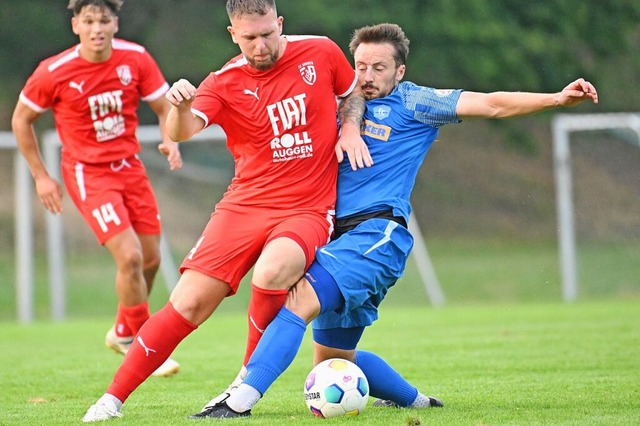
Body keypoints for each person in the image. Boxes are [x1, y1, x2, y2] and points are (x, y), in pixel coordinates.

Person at [194, 23, 599, 418]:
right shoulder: (337, 103)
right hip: (336, 240)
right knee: (334, 362)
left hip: (377, 235)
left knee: (297, 301)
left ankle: (238, 400)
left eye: (379, 68)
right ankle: (418, 402)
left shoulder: (414, 102)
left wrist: (556, 99)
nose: (367, 77)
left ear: (400, 71)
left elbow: (490, 103)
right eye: (360, 67)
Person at [81, 0, 370, 422]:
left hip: (307, 207)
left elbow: (353, 95)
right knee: (189, 303)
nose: (261, 44)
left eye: (268, 33)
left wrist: (348, 125)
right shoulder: (223, 81)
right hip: (243, 205)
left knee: (274, 270)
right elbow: (182, 130)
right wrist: (178, 105)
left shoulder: (321, 51)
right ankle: (111, 400)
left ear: (280, 24)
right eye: (250, 37)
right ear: (233, 34)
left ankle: (244, 385)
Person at [11, 0, 183, 377]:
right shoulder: (53, 71)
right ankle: (141, 344)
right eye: (88, 21)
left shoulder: (136, 58)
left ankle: (122, 330)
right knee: (131, 257)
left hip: (130, 169)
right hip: (89, 174)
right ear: (75, 26)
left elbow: (164, 106)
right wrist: (41, 175)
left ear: (115, 23)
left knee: (151, 258)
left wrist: (172, 137)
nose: (96, 28)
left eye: (103, 19)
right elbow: (21, 120)